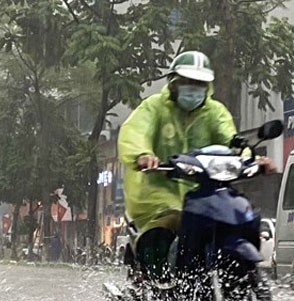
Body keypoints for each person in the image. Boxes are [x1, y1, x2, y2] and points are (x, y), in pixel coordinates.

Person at [117, 50, 276, 280]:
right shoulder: (154, 108)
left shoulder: (215, 112)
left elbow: (231, 141)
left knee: (239, 216)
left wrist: (253, 159)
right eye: (188, 82)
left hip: (205, 192)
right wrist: (143, 155)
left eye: (199, 83)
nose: (194, 87)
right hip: (157, 192)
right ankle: (156, 281)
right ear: (173, 82)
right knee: (166, 226)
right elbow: (135, 132)